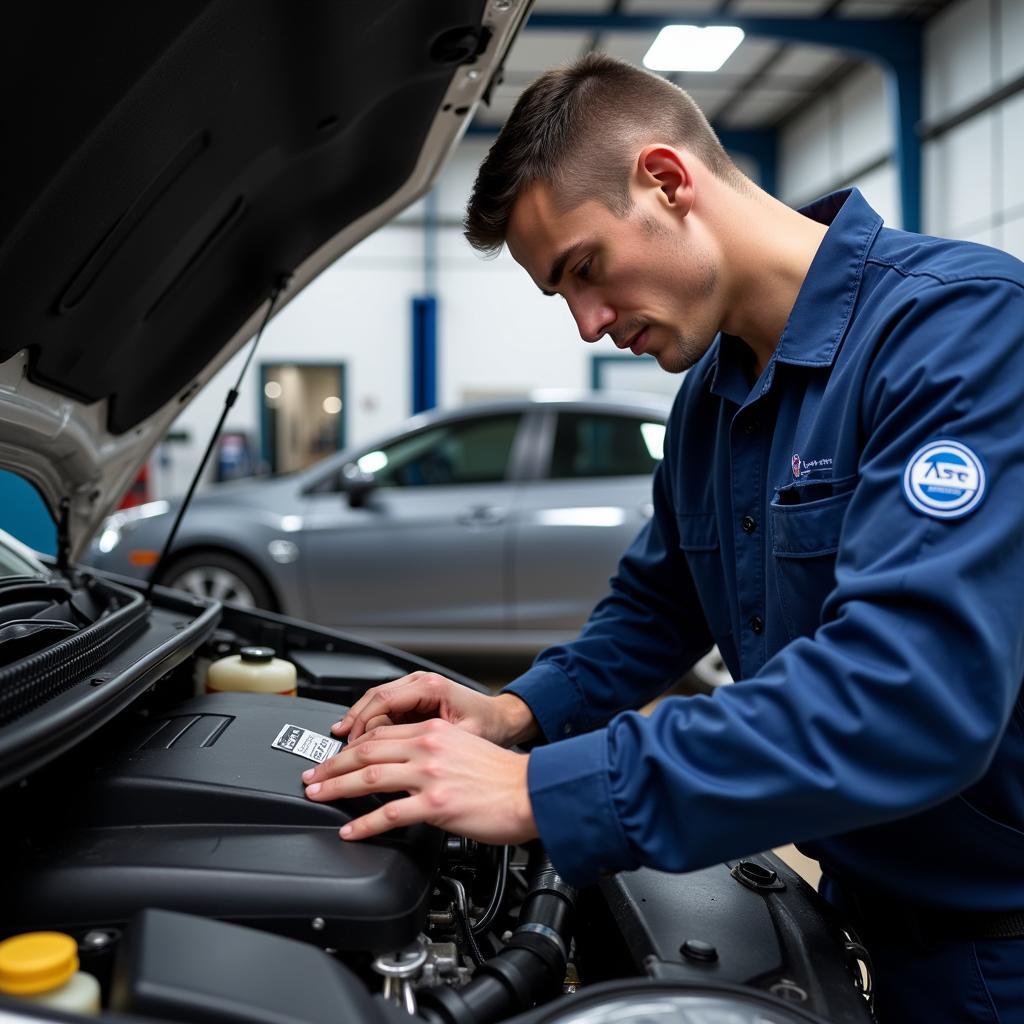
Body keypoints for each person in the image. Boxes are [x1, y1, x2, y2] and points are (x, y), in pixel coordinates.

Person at [301, 54, 1024, 1021]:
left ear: (667, 181)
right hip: (860, 920)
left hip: (995, 950)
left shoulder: (961, 333)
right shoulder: (709, 405)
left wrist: (546, 792)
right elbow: (655, 609)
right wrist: (511, 714)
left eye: (585, 270)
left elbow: (910, 697)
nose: (590, 325)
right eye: (561, 296)